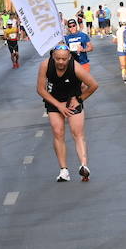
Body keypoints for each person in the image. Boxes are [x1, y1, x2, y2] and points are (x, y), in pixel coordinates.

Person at [37, 45, 98, 182]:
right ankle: (63, 171)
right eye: (58, 58)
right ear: (53, 57)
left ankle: (84, 166)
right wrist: (58, 105)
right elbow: (40, 89)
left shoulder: (76, 67)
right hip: (54, 100)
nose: (61, 62)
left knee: (77, 133)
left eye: (64, 59)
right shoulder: (45, 65)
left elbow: (93, 85)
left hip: (72, 99)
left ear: (69, 57)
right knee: (58, 132)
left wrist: (79, 99)